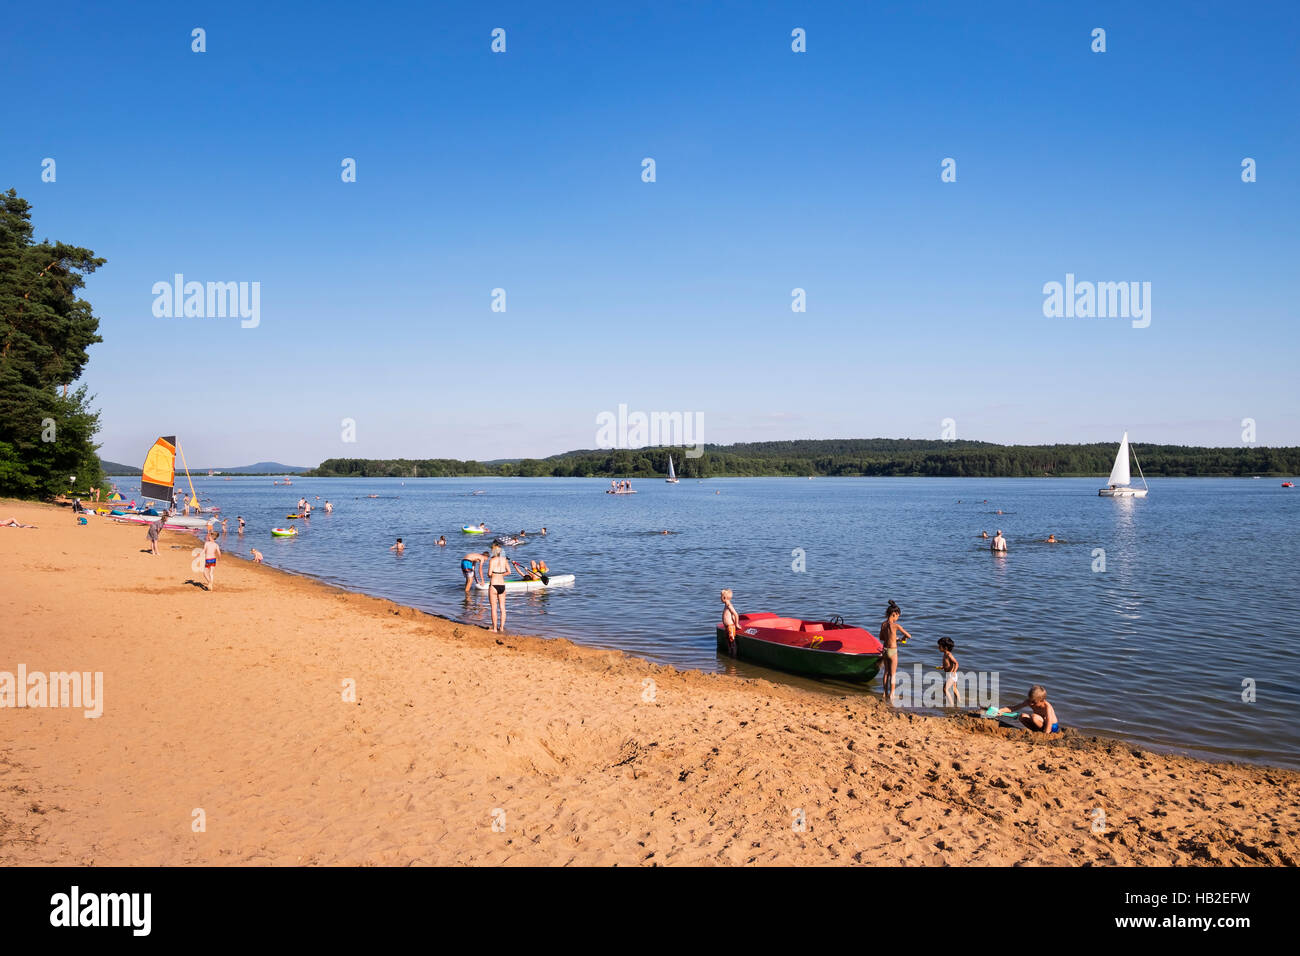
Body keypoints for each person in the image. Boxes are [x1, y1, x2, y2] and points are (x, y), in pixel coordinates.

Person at [879, 600, 913, 704]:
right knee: (893, 674)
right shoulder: (896, 626)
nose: (898, 618)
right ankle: (892, 693)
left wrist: (896, 639)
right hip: (893, 651)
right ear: (894, 614)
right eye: (898, 616)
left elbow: (881, 638)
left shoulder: (883, 625)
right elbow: (909, 635)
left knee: (886, 673)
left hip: (885, 650)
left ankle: (885, 692)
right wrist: (902, 638)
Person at [487, 543, 512, 632]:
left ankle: (494, 629)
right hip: (502, 585)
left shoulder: (492, 560)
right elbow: (509, 572)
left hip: (493, 585)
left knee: (494, 607)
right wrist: (501, 574)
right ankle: (501, 628)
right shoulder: (504, 560)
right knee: (502, 607)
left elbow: (489, 574)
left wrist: (493, 575)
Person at [938, 637, 959, 706]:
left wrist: (954, 672)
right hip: (951, 674)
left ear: (945, 647)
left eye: (940, 646)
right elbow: (949, 664)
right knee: (954, 689)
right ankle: (959, 702)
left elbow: (956, 663)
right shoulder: (945, 654)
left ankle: (951, 704)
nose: (938, 647)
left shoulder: (948, 654)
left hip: (951, 674)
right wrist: (943, 667)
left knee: (945, 689)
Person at [720, 589, 740, 657]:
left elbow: (736, 614)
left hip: (730, 626)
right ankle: (730, 653)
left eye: (721, 597)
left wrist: (736, 624)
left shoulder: (729, 605)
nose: (720, 598)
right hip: (727, 627)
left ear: (724, 598)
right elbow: (731, 615)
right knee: (727, 639)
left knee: (732, 641)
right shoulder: (726, 605)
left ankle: (734, 656)